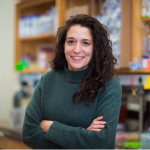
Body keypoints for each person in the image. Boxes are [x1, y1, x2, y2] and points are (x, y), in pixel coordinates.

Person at [22, 14, 122, 149]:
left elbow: (100, 143)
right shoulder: (47, 80)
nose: (76, 49)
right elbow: (29, 134)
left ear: (95, 49)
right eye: (71, 41)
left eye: (85, 43)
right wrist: (83, 136)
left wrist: (50, 127)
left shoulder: (109, 86)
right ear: (63, 45)